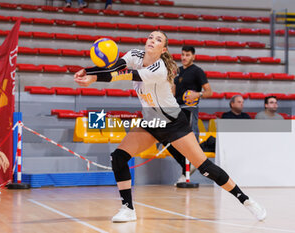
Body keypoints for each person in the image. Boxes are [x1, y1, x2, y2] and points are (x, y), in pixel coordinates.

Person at [74, 31, 266, 222]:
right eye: (150, 37)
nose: (152, 40)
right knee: (118, 157)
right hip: (151, 123)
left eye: (158, 40)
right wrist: (88, 72)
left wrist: (93, 77)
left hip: (174, 124)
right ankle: (128, 208)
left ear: (163, 49)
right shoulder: (135, 55)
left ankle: (247, 201)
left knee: (205, 167)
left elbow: (122, 75)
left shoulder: (160, 68)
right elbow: (114, 66)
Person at [166, 45, 212, 185]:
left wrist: (197, 94)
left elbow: (209, 92)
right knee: (169, 138)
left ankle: (186, 172)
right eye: (182, 55)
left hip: (189, 109)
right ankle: (186, 166)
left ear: (193, 56)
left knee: (188, 140)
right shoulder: (178, 71)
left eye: (187, 55)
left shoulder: (197, 72)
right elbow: (173, 92)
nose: (184, 57)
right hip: (176, 108)